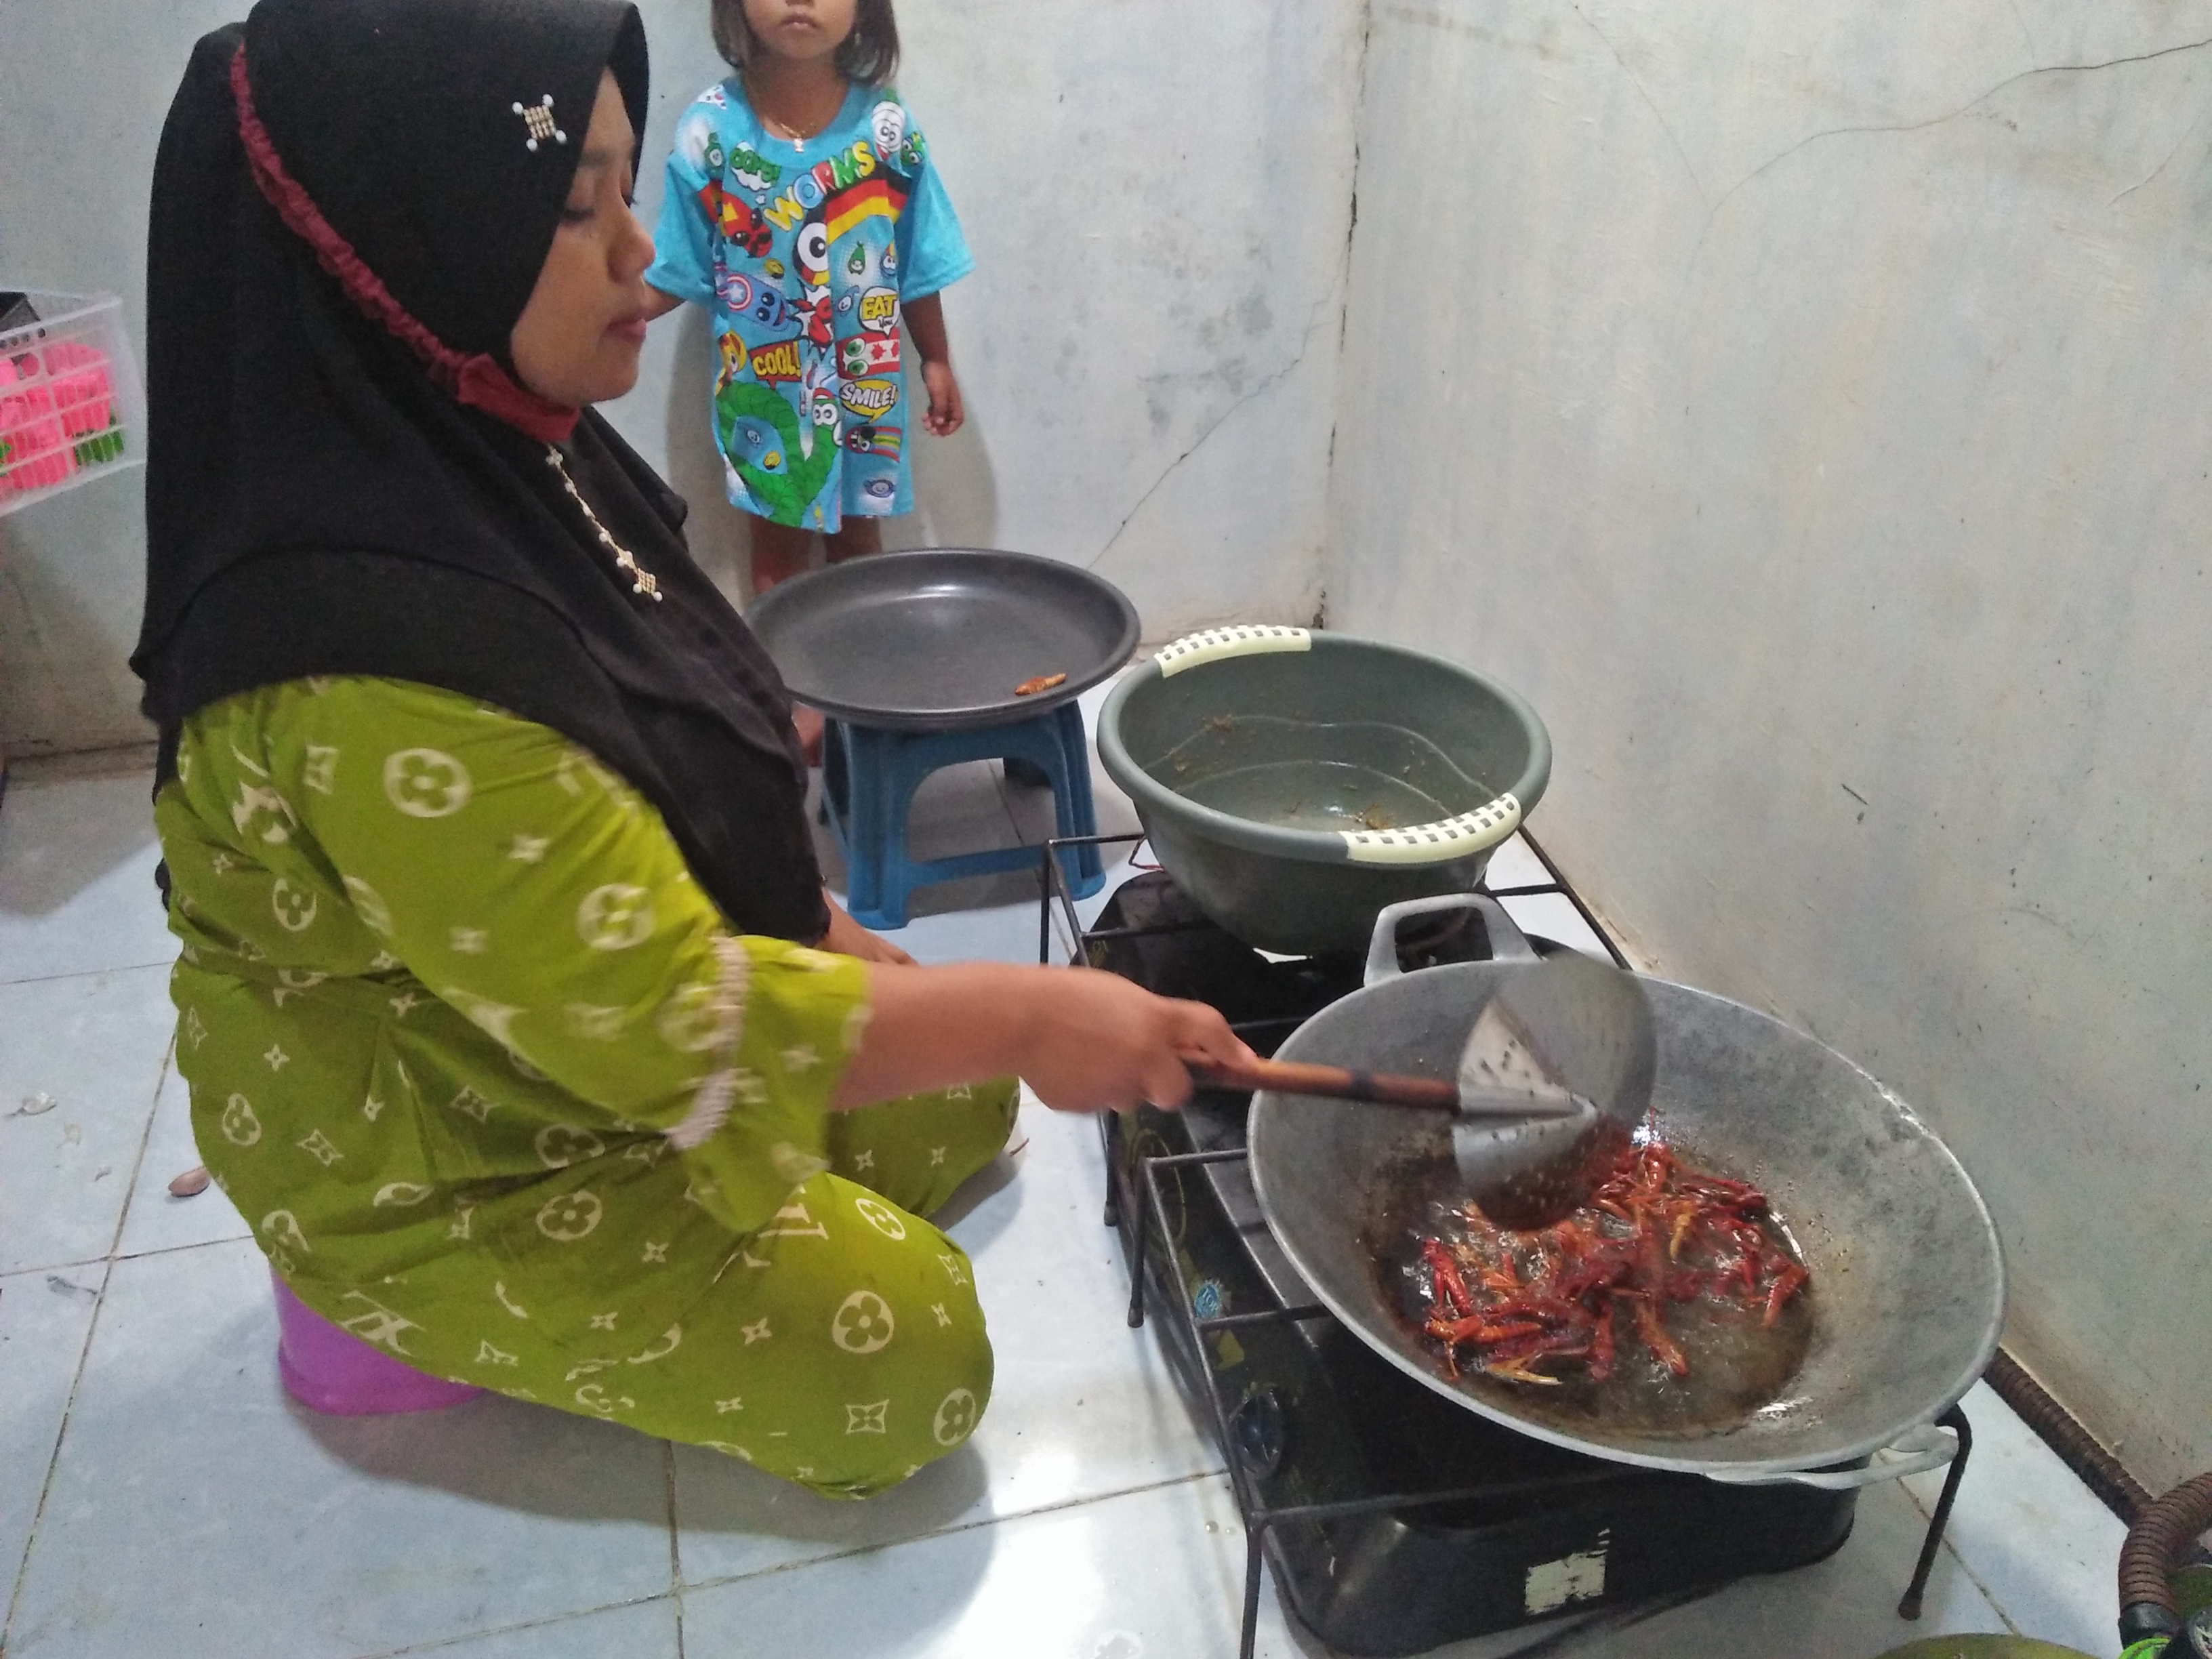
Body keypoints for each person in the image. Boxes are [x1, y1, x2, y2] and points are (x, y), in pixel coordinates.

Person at [134, 0, 1250, 1500]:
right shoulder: (371, 663)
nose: (638, 254)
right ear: (409, 250)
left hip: (556, 1021)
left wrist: (844, 940)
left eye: (623, 189)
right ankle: (388, 1296)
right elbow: (673, 1022)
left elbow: (644, 754)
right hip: (442, 1147)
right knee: (916, 1352)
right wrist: (1036, 1012)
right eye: (571, 209)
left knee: (961, 1089)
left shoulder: (495, 447)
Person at [644, 0, 962, 594]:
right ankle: (775, 662)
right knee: (777, 554)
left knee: (860, 548)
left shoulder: (886, 130)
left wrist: (937, 358)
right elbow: (674, 268)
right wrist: (594, 316)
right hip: (765, 395)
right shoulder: (710, 132)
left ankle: (860, 657)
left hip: (864, 392)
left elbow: (918, 259)